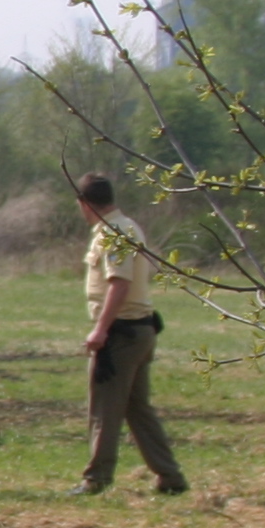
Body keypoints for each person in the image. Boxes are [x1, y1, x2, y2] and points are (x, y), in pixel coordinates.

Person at [70, 172, 189, 496]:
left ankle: (96, 479)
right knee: (138, 409)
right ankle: (170, 477)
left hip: (121, 334)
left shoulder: (113, 233)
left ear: (84, 203)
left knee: (104, 408)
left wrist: (100, 329)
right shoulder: (128, 227)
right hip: (139, 329)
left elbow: (119, 284)